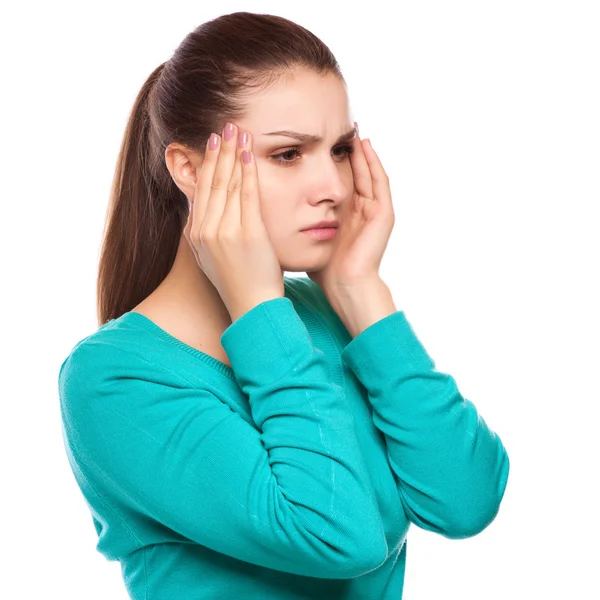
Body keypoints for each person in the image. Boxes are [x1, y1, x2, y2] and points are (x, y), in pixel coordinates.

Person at [58, 11, 510, 600]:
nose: (335, 187)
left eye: (341, 148)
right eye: (289, 154)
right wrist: (256, 304)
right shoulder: (111, 380)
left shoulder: (325, 314)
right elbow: (337, 537)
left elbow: (465, 499)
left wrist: (359, 291)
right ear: (189, 170)